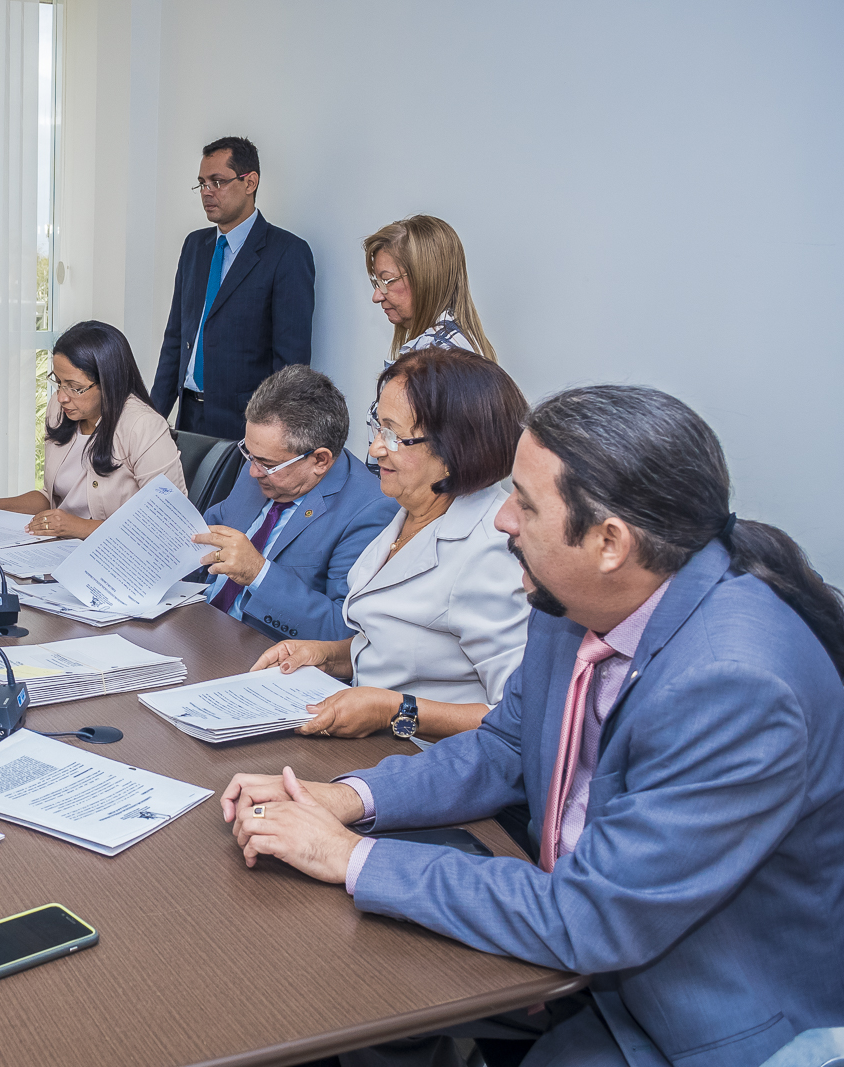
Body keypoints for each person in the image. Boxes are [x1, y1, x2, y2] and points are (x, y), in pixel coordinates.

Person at [221, 385, 844, 1067]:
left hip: (685, 1010)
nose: (501, 522)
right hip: (590, 945)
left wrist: (348, 855)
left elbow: (591, 915)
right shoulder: (569, 598)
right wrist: (346, 798)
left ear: (610, 541)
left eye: (524, 502)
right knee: (357, 992)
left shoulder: (735, 682)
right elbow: (505, 745)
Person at [253, 349, 529, 743]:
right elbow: (404, 647)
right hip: (367, 740)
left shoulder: (493, 549)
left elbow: (517, 717)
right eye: (377, 427)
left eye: (395, 436)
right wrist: (327, 656)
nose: (375, 449)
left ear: (454, 451)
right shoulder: (409, 511)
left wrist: (395, 710)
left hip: (432, 762)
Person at [192, 365, 397, 642]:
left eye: (266, 464)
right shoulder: (262, 464)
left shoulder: (370, 510)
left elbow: (344, 631)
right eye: (250, 455)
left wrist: (258, 573)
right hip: (196, 621)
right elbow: (214, 524)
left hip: (259, 653)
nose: (253, 471)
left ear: (320, 460)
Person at [150, 136, 316, 440]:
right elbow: (176, 338)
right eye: (202, 183)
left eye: (217, 181)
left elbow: (290, 364)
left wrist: (272, 436)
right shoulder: (194, 246)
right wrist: (151, 416)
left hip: (245, 425)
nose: (207, 193)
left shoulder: (286, 253)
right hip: (187, 417)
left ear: (250, 182)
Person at [0, 320, 183, 539]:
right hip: (62, 551)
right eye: (58, 382)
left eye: (75, 388)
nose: (62, 397)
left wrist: (79, 527)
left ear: (109, 382)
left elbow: (168, 523)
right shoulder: (60, 410)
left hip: (120, 562)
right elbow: (51, 499)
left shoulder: (143, 426)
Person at [364, 215, 495, 366]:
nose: (376, 296)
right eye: (377, 283)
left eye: (387, 281)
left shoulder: (435, 361)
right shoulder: (458, 345)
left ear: (425, 280)